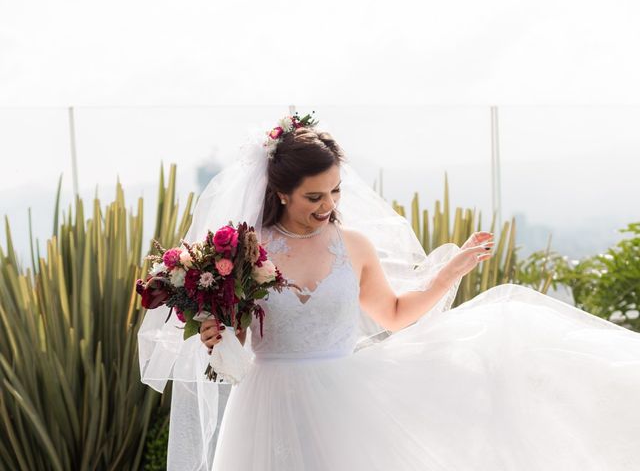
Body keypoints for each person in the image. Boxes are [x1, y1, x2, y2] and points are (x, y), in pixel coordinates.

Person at [139, 113, 640, 471]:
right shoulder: (242, 253)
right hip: (266, 404)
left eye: (336, 192)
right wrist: (214, 333)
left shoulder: (353, 246)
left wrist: (451, 272)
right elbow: (232, 341)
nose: (328, 204)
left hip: (343, 402)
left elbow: (395, 313)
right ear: (280, 192)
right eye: (315, 196)